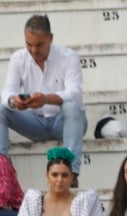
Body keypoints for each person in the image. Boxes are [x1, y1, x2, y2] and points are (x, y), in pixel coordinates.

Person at [0, 17, 87, 176]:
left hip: (64, 122)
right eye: (29, 44)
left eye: (39, 45)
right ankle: (2, 171)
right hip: (34, 123)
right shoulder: (18, 58)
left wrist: (46, 99)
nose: (33, 50)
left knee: (71, 106)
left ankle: (71, 171)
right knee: (1, 108)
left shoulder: (68, 56)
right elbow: (7, 92)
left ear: (50, 38)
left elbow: (75, 93)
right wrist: (15, 101)